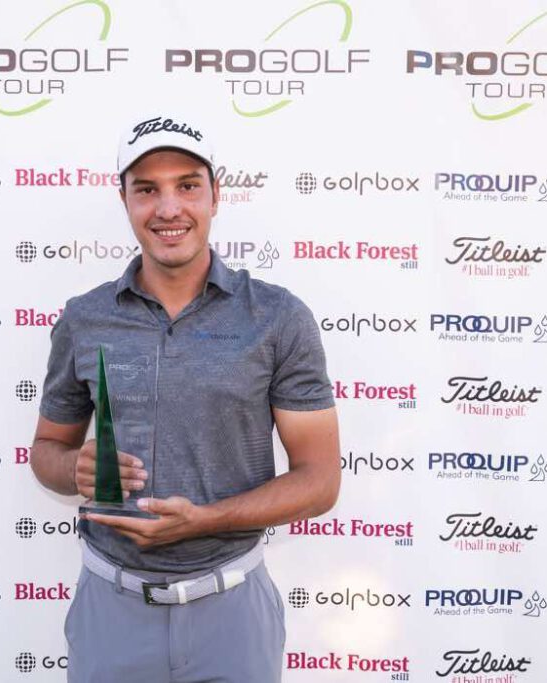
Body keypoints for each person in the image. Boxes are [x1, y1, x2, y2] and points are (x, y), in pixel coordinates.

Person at [29, 113, 341, 683]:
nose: (168, 208)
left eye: (187, 186)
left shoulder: (276, 317)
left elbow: (320, 481)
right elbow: (47, 450)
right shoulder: (84, 318)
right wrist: (73, 467)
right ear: (124, 199)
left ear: (216, 195)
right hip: (111, 613)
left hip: (232, 615)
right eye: (147, 189)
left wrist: (204, 521)